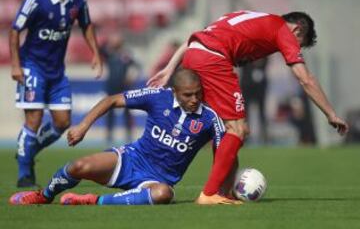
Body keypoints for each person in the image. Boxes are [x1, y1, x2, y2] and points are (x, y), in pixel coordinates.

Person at [147, 10, 349, 204]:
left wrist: (169, 68)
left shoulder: (245, 17)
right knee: (239, 129)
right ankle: (209, 194)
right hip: (213, 60)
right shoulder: (282, 29)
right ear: (297, 30)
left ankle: (223, 192)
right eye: (299, 44)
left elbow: (196, 39)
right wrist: (330, 113)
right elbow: (306, 79)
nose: (295, 49)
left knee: (225, 131)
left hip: (194, 55)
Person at [9, 69, 242, 206]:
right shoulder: (157, 97)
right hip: (131, 159)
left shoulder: (210, 118)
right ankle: (43, 196)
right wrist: (83, 126)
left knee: (163, 194)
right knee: (78, 166)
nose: (194, 99)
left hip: (157, 180)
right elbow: (112, 100)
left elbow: (225, 156)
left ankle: (92, 200)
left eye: (198, 94)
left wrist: (224, 190)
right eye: (188, 95)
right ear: (174, 92)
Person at [9, 0, 103, 187]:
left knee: (62, 122)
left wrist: (95, 53)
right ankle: (25, 173)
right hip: (32, 67)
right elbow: (15, 30)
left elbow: (86, 25)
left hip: (57, 72)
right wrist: (16, 64)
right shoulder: (37, 0)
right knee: (34, 119)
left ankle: (28, 150)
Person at [100, 33, 141, 144]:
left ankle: (129, 134)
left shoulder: (126, 54)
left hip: (124, 86)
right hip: (112, 85)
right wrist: (109, 42)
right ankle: (109, 134)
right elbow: (100, 49)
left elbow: (137, 66)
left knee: (127, 111)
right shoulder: (109, 53)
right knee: (109, 110)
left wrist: (132, 76)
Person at [240, 58, 269, 144]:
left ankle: (264, 136)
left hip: (260, 87)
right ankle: (245, 136)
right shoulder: (244, 52)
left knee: (262, 112)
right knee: (245, 113)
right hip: (247, 85)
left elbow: (265, 60)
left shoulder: (264, 53)